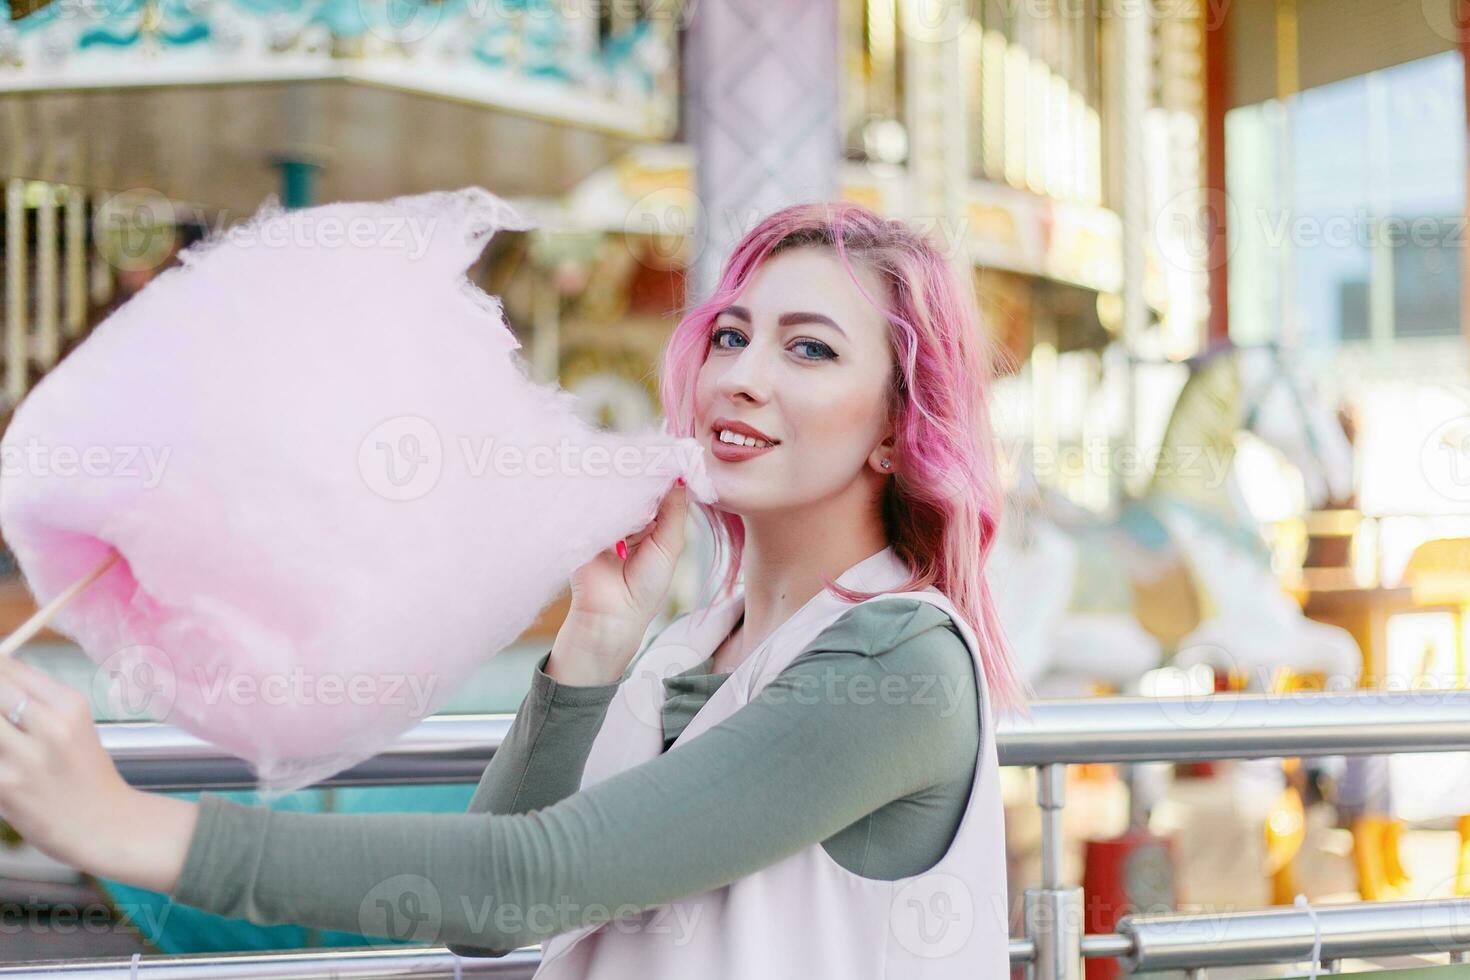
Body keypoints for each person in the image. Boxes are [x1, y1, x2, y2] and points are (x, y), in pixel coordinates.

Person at [0, 201, 1030, 977]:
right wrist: (589, 652)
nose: (742, 375)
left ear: (898, 427)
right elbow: (490, 919)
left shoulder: (896, 657)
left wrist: (132, 827)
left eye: (809, 347)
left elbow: (539, 872)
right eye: (731, 334)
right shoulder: (684, 646)